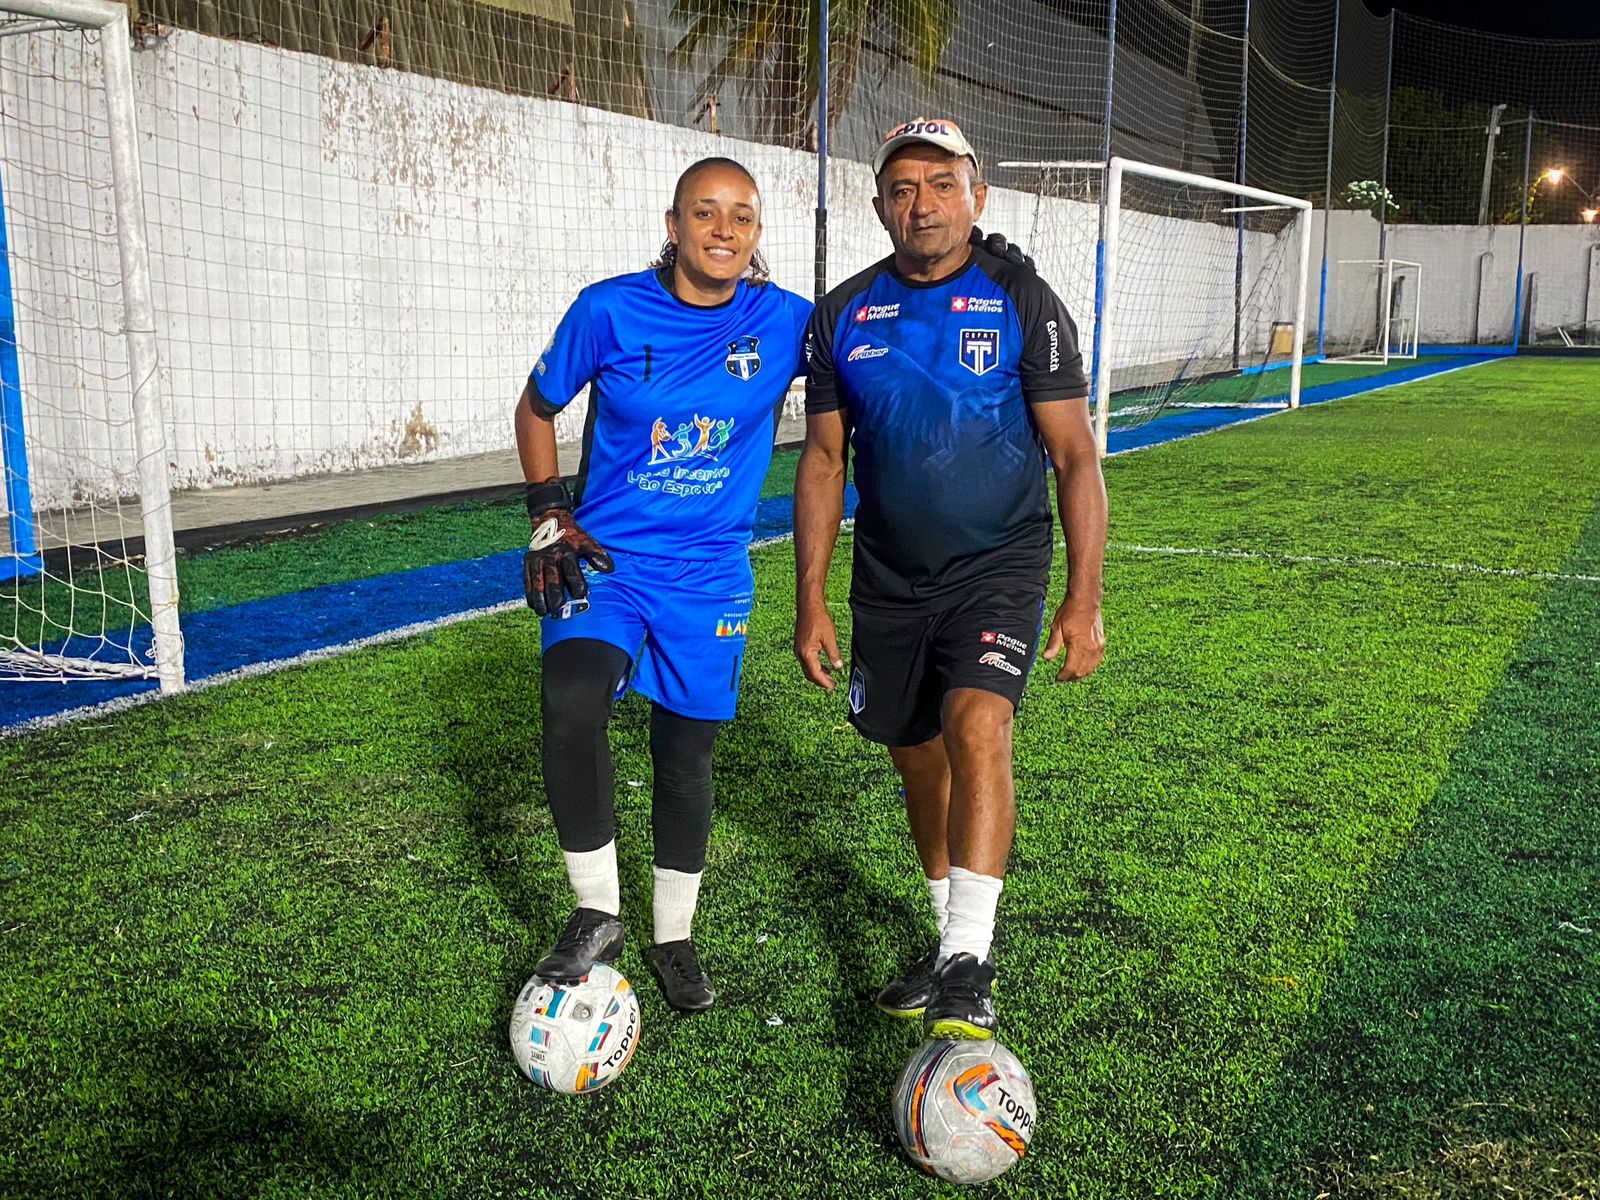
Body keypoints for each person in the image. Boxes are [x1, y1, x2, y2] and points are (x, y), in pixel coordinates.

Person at [793, 119, 1108, 1039]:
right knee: (914, 754)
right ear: (880, 203)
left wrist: (1082, 598)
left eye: (941, 183)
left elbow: (1074, 456)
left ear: (978, 195)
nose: (921, 202)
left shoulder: (1022, 298)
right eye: (903, 187)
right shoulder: (842, 313)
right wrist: (808, 597)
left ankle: (970, 960)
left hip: (999, 562)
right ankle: (944, 942)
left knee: (978, 722)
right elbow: (822, 461)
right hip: (888, 575)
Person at [515, 156, 811, 1012]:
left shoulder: (786, 320)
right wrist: (546, 512)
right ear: (674, 223)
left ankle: (673, 935)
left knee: (685, 753)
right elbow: (538, 408)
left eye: (742, 217)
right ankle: (595, 911)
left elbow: (876, 324)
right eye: (706, 213)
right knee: (570, 699)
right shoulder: (607, 309)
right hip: (603, 560)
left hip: (710, 576)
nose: (724, 230)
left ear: (757, 235)